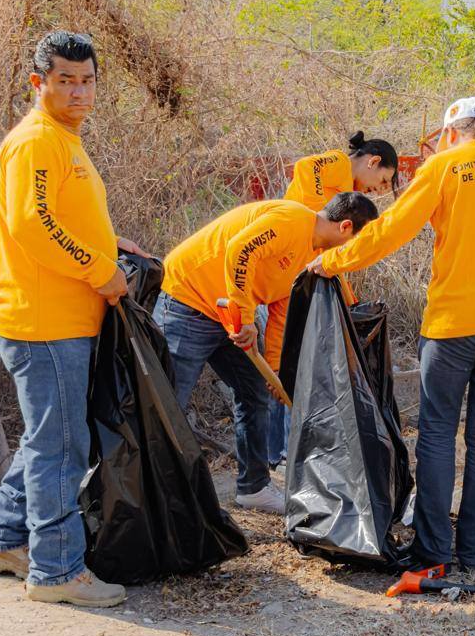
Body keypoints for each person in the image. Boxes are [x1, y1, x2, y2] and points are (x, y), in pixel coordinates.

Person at [308, 97, 475, 573]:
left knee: (436, 433)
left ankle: (433, 549)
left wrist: (331, 261)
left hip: (453, 325)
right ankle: (474, 549)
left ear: (451, 133)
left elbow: (391, 229)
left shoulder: (444, 167)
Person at [0, 31, 146, 607]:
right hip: (45, 321)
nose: (78, 91)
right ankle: (56, 572)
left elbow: (58, 217)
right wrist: (100, 268)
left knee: (44, 439)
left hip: (61, 315)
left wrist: (109, 242)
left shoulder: (64, 139)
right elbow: (33, 226)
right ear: (38, 83)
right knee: (62, 449)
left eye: (87, 79)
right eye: (65, 80)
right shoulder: (36, 142)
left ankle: (4, 542)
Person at [154, 193, 378, 513]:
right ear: (345, 227)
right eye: (360, 241)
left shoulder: (312, 258)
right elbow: (240, 250)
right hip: (189, 301)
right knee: (168, 402)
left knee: (254, 391)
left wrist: (274, 372)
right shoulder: (292, 221)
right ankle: (152, 495)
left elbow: (279, 318)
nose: (356, 253)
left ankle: (253, 488)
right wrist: (245, 317)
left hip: (228, 317)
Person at [268, 132, 398, 468]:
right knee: (286, 360)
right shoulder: (337, 164)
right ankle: (282, 450)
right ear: (372, 161)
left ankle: (286, 447)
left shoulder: (345, 196)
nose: (378, 189)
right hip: (292, 265)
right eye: (382, 179)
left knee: (291, 360)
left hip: (304, 269)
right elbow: (306, 166)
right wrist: (318, 216)